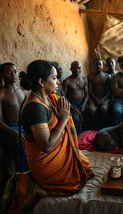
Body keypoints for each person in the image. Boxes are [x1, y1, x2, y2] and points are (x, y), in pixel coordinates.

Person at [19, 60, 93, 197]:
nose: (58, 81)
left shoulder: (49, 98)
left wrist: (63, 117)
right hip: (46, 165)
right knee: (76, 177)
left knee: (84, 166)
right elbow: (46, 146)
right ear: (41, 82)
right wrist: (63, 120)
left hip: (55, 156)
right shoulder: (35, 108)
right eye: (54, 78)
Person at [0, 62, 27, 172]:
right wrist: (13, 132)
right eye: (9, 72)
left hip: (24, 126)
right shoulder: (2, 93)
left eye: (15, 71)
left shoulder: (23, 92)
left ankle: (33, 176)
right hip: (9, 128)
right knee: (20, 147)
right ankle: (22, 177)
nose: (13, 74)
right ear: (2, 75)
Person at [62, 61, 88, 134]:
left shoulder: (84, 79)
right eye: (74, 68)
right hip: (72, 104)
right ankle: (76, 138)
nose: (77, 70)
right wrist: (73, 109)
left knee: (92, 112)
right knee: (76, 118)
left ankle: (87, 134)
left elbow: (87, 94)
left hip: (83, 103)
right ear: (71, 69)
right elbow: (64, 97)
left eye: (79, 68)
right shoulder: (67, 81)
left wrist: (84, 105)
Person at [88, 58, 111, 129]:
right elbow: (90, 90)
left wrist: (103, 99)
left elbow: (108, 91)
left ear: (103, 65)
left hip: (105, 98)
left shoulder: (107, 76)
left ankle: (102, 127)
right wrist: (95, 99)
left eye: (100, 64)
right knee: (92, 110)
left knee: (104, 109)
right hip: (93, 97)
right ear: (94, 66)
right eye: (96, 64)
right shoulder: (90, 76)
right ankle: (94, 128)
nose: (98, 66)